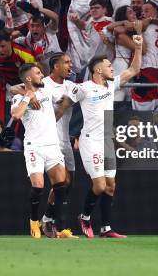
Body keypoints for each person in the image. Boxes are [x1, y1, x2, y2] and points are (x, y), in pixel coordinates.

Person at [61, 34, 143, 238]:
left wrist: (138, 48)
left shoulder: (111, 84)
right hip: (90, 141)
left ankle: (106, 228)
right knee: (99, 185)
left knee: (111, 185)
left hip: (107, 142)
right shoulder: (85, 88)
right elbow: (64, 103)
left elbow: (134, 70)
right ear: (98, 70)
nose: (112, 68)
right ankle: (85, 216)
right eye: (108, 65)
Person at [11, 63, 75, 239]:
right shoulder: (19, 98)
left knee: (62, 185)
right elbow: (16, 115)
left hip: (52, 145)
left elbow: (13, 87)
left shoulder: (46, 89)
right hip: (34, 146)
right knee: (38, 186)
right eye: (38, 73)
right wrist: (28, 96)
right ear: (29, 78)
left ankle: (53, 224)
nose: (42, 75)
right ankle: (33, 222)